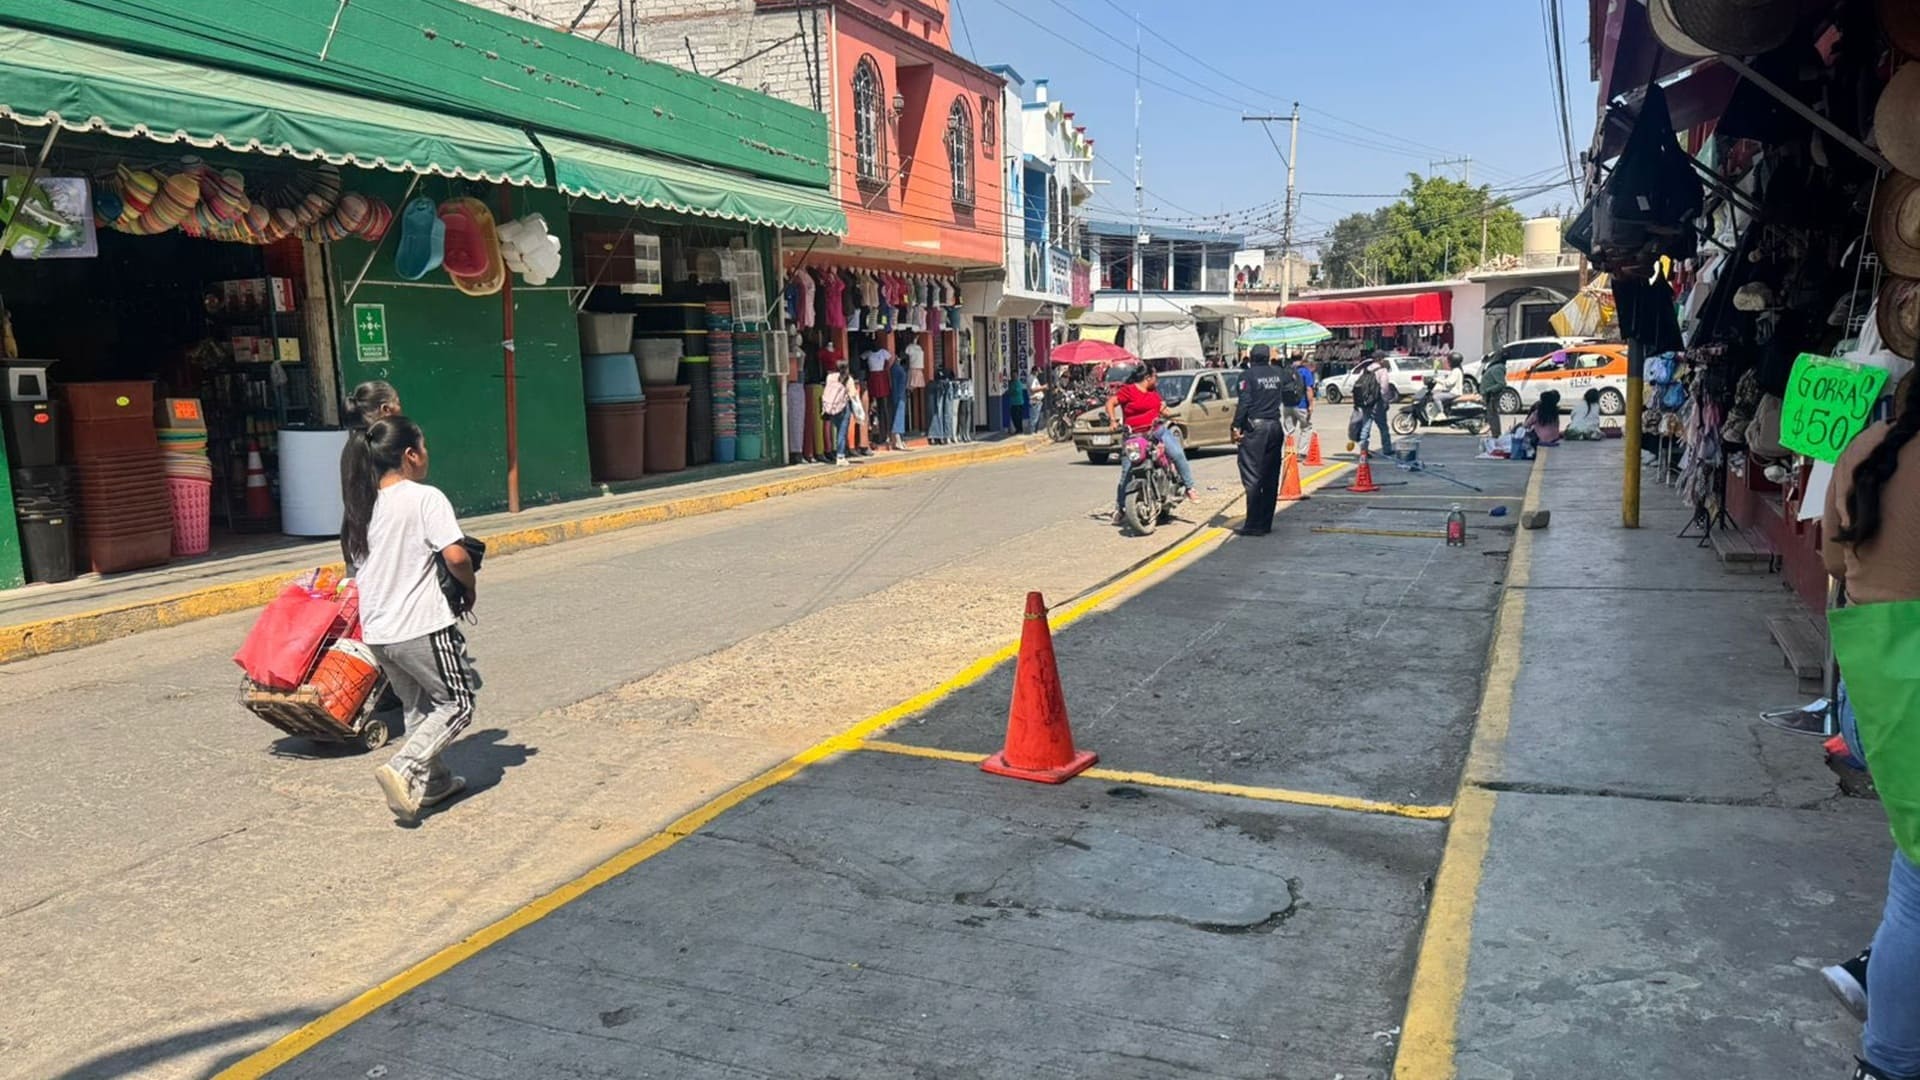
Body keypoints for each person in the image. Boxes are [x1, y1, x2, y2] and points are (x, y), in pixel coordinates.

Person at [1820, 371, 1920, 1080]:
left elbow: (1831, 559)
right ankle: (1886, 1057)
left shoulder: (1870, 450)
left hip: (1875, 707)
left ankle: (1876, 981)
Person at [342, 417, 479, 823]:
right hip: (421, 624)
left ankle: (434, 784)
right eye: (424, 446)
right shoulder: (425, 498)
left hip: (380, 631)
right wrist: (469, 586)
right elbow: (455, 556)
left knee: (418, 708)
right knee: (458, 703)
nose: (427, 454)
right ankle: (404, 767)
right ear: (410, 455)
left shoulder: (361, 506)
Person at [1106, 366, 1197, 519]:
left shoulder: (1154, 393)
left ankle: (1190, 487)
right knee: (1126, 472)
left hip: (1157, 432)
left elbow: (1163, 409)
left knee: (1177, 454)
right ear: (1148, 378)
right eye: (1156, 377)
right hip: (1134, 436)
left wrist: (1172, 414)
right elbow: (1110, 403)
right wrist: (1113, 420)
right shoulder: (1128, 391)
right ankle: (1120, 507)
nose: (1157, 380)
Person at [1232, 344, 1290, 537]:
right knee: (1270, 476)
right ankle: (1266, 522)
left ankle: (1253, 524)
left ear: (1251, 357)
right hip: (1275, 426)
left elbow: (1245, 403)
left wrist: (1236, 426)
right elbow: (1291, 393)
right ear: (1266, 357)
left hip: (1255, 429)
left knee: (1252, 477)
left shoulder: (1247, 376)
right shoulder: (1278, 373)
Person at [1349, 357, 1395, 457]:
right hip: (1377, 402)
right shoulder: (1382, 371)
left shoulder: (1364, 370)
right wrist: (1386, 400)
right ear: (1381, 360)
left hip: (1366, 402)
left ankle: (1363, 451)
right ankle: (1387, 449)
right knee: (1383, 427)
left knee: (1366, 426)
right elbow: (1384, 387)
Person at [820, 360, 857, 466]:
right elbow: (853, 394)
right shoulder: (848, 379)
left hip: (830, 408)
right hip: (843, 408)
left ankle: (834, 451)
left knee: (835, 429)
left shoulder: (830, 377)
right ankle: (840, 456)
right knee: (842, 432)